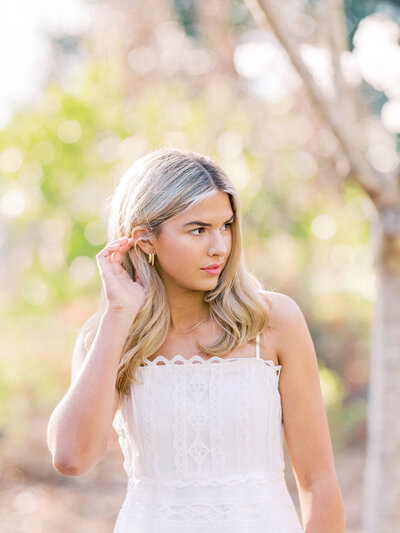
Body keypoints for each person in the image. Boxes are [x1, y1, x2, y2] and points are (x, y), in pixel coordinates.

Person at [47, 147, 345, 532]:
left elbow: (318, 480)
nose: (220, 246)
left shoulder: (272, 322)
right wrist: (118, 316)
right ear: (145, 239)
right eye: (198, 229)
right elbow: (71, 458)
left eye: (226, 226)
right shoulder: (109, 336)